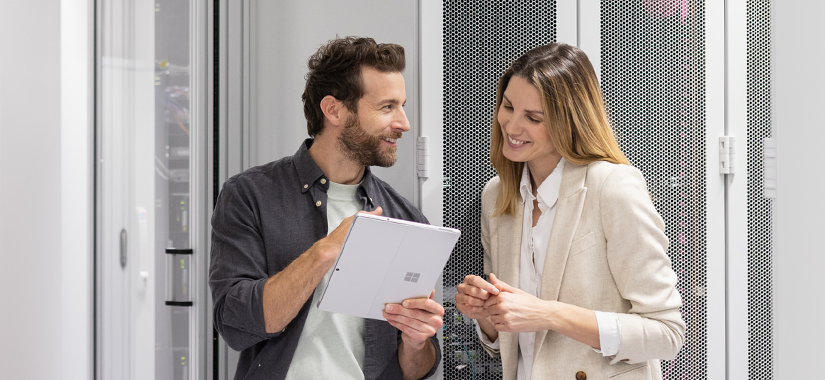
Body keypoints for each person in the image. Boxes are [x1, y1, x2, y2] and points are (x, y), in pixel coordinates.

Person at [210, 36, 443, 380]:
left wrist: (416, 342)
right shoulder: (249, 196)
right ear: (333, 109)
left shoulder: (406, 219)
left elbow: (416, 369)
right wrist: (325, 252)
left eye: (402, 105)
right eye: (387, 107)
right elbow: (235, 324)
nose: (404, 123)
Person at [453, 43, 687, 380]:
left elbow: (666, 334)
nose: (512, 126)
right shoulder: (497, 195)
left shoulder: (613, 187)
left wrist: (548, 314)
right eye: (507, 107)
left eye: (533, 118)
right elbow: (505, 343)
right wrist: (485, 314)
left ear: (569, 122)